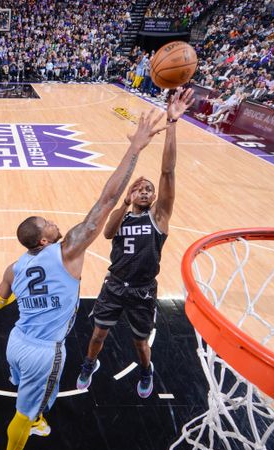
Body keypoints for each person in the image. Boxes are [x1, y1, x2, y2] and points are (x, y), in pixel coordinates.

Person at [0, 105, 171, 450]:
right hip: (44, 350)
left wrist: (21, 300)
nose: (55, 223)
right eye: (49, 224)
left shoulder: (14, 267)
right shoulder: (67, 248)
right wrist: (136, 147)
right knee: (22, 411)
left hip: (16, 341)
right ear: (44, 239)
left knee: (31, 396)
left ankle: (37, 418)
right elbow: (106, 201)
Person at [76, 88, 194, 399]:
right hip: (114, 284)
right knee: (98, 333)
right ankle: (89, 364)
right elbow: (106, 233)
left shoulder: (160, 217)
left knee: (140, 342)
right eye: (137, 188)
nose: (143, 191)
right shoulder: (124, 216)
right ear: (131, 194)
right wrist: (124, 203)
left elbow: (168, 171)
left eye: (148, 189)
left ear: (155, 197)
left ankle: (145, 370)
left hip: (143, 289)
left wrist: (172, 123)